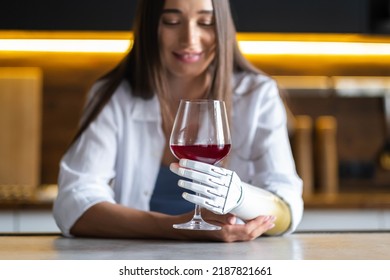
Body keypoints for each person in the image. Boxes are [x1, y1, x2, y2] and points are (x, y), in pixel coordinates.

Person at [53, 0, 303, 242]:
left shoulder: (257, 95)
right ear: (150, 26)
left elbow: (287, 209)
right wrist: (177, 228)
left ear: (223, 27)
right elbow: (73, 205)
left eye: (205, 22)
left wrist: (238, 197)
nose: (190, 40)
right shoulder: (114, 95)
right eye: (172, 21)